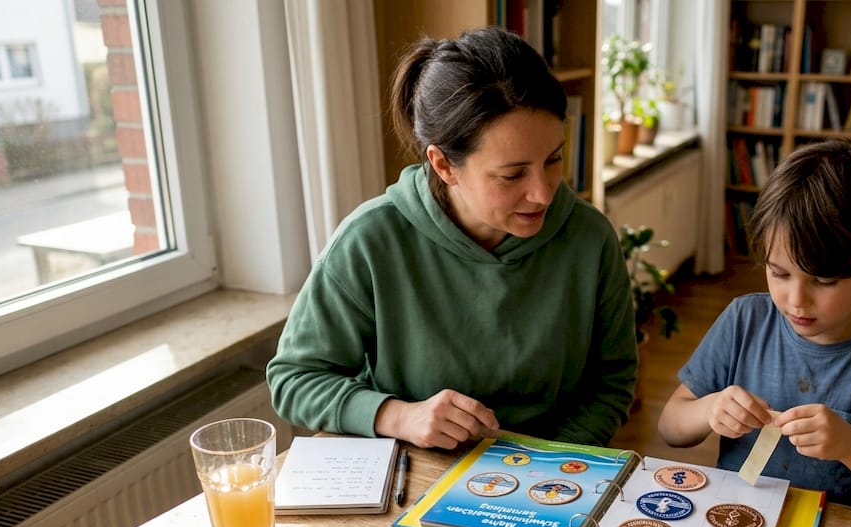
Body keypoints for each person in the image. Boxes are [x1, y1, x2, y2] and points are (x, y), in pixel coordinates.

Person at [267, 26, 637, 455]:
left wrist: (543, 464)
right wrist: (399, 415)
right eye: (511, 174)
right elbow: (294, 380)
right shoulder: (370, 241)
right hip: (410, 475)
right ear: (443, 165)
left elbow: (612, 381)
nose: (543, 192)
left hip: (551, 478)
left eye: (553, 159)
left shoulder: (589, 239)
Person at [657, 140, 851, 524]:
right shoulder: (744, 321)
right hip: (735, 526)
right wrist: (710, 409)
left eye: (824, 280)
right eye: (779, 273)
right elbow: (670, 426)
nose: (796, 299)